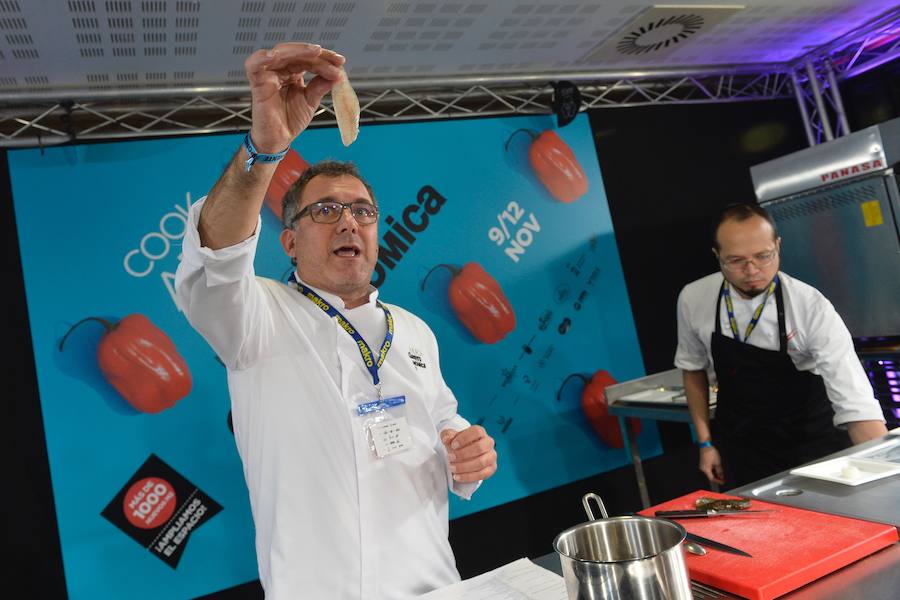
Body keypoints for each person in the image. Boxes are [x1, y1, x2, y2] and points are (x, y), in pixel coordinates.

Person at [174, 43, 497, 599]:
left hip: (435, 587)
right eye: (325, 210)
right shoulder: (255, 314)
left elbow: (444, 425)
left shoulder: (413, 329)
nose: (348, 222)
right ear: (290, 242)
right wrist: (265, 149)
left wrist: (468, 455)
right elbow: (217, 254)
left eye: (362, 211)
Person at [675, 203, 887, 489]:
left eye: (764, 256)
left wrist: (883, 470)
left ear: (778, 245)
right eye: (736, 261)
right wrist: (706, 443)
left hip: (812, 442)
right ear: (717, 255)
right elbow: (693, 370)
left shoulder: (810, 306)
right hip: (743, 446)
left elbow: (855, 400)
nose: (752, 270)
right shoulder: (694, 298)